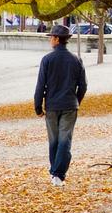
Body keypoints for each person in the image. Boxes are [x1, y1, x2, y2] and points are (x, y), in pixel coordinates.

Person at [34, 25, 87, 187]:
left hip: (52, 105)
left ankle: (56, 173)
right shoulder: (76, 60)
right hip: (70, 105)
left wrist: (38, 106)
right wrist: (76, 100)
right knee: (65, 139)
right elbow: (83, 85)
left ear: (57, 39)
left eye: (52, 37)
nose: (50, 39)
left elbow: (40, 85)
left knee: (54, 140)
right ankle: (58, 173)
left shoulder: (47, 60)